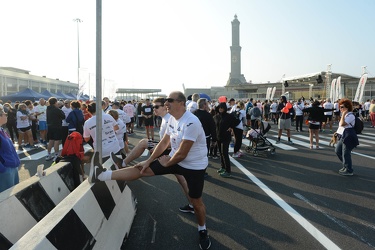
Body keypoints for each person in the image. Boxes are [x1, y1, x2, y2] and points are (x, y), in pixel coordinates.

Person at [89, 91, 211, 249]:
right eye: (165, 100)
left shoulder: (191, 122)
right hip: (174, 158)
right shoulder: (172, 119)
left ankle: (202, 229)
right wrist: (149, 160)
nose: (166, 103)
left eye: (170, 100)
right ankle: (101, 175)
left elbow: (182, 153)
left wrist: (167, 164)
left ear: (181, 103)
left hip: (194, 166)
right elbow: (164, 142)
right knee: (140, 169)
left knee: (196, 202)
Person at [215, 102, 240, 178]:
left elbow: (237, 121)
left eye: (222, 108)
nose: (220, 109)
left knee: (225, 153)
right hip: (218, 137)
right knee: (221, 153)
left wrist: (231, 127)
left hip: (226, 137)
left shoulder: (229, 116)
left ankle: (228, 170)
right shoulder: (216, 116)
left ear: (225, 108)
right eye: (219, 108)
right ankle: (223, 167)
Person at [334, 99, 359, 176]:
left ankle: (349, 170)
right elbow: (341, 127)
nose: (340, 109)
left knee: (346, 153)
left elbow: (342, 124)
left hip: (349, 135)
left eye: (342, 107)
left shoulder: (350, 115)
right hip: (343, 134)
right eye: (340, 107)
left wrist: (344, 114)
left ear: (347, 107)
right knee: (338, 151)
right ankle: (346, 165)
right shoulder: (345, 115)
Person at [0, 108, 20, 192]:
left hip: (12, 167)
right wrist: (3, 169)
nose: (6, 115)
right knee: (6, 199)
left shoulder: (2, 130)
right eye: (4, 114)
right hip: (5, 171)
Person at [194, 98, 217, 163]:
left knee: (195, 154)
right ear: (204, 105)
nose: (208, 105)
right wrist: (214, 139)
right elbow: (212, 127)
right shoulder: (208, 115)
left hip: (194, 137)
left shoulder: (193, 113)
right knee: (204, 155)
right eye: (207, 104)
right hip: (205, 138)